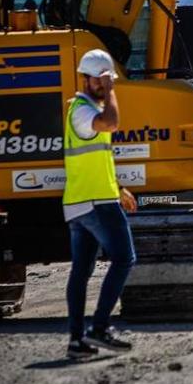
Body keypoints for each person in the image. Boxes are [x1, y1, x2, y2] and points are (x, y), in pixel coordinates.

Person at [63, 48, 137, 360]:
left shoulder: (84, 109)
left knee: (81, 271)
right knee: (124, 259)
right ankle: (100, 328)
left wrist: (119, 187)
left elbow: (96, 158)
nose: (105, 85)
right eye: (101, 80)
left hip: (84, 202)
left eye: (108, 80)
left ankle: (77, 341)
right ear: (88, 79)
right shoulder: (82, 110)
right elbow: (112, 123)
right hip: (96, 203)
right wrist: (111, 91)